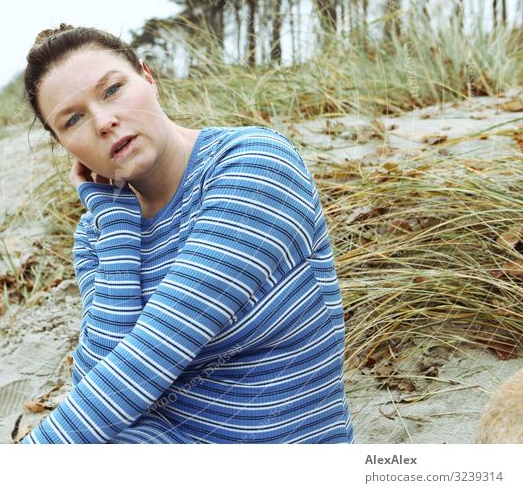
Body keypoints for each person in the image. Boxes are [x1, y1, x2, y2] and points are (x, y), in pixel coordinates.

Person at [19, 23, 354, 444]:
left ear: (148, 77)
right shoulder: (96, 233)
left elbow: (143, 364)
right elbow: (99, 379)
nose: (104, 121)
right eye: (73, 119)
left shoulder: (255, 166)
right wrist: (117, 221)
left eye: (112, 90)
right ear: (64, 145)